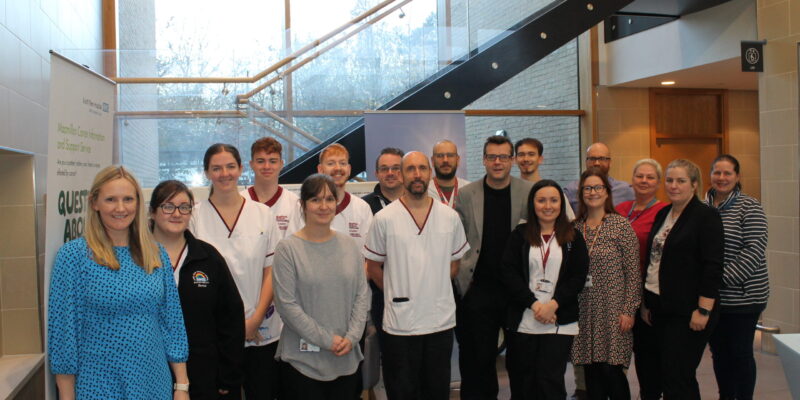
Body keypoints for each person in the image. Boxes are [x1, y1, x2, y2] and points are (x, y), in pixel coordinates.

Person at [48, 166, 189, 399]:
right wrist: (66, 395)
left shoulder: (156, 254)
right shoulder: (74, 256)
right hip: (98, 385)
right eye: (111, 199)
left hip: (153, 382)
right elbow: (65, 335)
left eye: (128, 199)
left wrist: (182, 386)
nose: (121, 208)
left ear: (138, 203)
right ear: (94, 203)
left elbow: (171, 321)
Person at [364, 151, 469, 399]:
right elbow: (373, 267)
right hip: (400, 322)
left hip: (439, 319)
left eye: (422, 168)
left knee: (437, 389)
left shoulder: (449, 217)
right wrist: (395, 290)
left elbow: (455, 264)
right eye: (410, 169)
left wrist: (432, 287)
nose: (417, 174)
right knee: (402, 389)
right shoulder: (384, 218)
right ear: (402, 175)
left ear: (430, 173)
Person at [190, 143, 282, 399]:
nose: (224, 174)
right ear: (206, 172)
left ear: (241, 169)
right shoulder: (195, 217)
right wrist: (231, 328)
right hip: (216, 334)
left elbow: (271, 271)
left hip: (260, 328)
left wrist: (255, 319)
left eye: (230, 166)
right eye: (216, 168)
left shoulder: (262, 213)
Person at [272, 174, 370, 399]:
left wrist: (352, 337)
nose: (324, 206)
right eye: (315, 199)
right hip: (302, 364)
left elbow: (361, 295)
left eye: (329, 199)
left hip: (346, 359)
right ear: (303, 205)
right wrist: (328, 340)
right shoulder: (287, 250)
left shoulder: (350, 246)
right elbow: (287, 306)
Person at [150, 180, 246, 400]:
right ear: (152, 212)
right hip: (150, 372)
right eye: (168, 206)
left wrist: (229, 375)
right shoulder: (134, 259)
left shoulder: (208, 258)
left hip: (204, 375)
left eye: (184, 207)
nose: (177, 213)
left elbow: (230, 319)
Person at [454, 135, 534, 399]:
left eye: (503, 157)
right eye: (491, 157)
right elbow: (457, 240)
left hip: (517, 291)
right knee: (478, 361)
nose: (497, 162)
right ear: (484, 160)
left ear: (512, 160)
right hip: (479, 289)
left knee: (521, 361)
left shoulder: (528, 192)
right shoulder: (467, 194)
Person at [499, 179, 589, 399]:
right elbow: (509, 273)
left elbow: (578, 277)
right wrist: (535, 304)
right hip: (525, 318)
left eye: (553, 200)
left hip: (558, 319)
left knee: (550, 380)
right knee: (523, 380)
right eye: (541, 200)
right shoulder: (519, 235)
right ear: (532, 204)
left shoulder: (574, 237)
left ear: (561, 204)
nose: (548, 206)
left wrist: (553, 305)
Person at [641, 159, 723, 399]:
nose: (673, 186)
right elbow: (654, 260)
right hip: (658, 306)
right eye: (669, 180)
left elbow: (713, 266)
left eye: (681, 181)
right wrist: (646, 303)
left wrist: (704, 310)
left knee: (678, 376)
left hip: (688, 311)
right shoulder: (663, 213)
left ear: (694, 185)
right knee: (661, 373)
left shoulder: (706, 216)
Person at [571, 167, 641, 399]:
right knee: (591, 374)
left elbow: (633, 273)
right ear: (581, 193)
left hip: (613, 312)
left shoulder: (620, 225)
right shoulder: (574, 228)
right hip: (584, 311)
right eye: (587, 188)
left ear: (607, 191)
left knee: (611, 371)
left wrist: (628, 310)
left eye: (598, 187)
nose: (593, 192)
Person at [705, 154, 769, 400]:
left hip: (745, 297)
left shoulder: (750, 207)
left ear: (737, 176)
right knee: (719, 353)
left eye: (727, 173)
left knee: (740, 354)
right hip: (713, 298)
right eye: (717, 172)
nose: (721, 178)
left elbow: (753, 251)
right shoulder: (701, 207)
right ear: (710, 175)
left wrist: (717, 279)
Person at [614, 159, 668, 400]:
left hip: (646, 293)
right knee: (616, 355)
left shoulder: (664, 212)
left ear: (658, 183)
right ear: (632, 179)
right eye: (639, 176)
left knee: (648, 355)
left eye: (650, 177)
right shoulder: (620, 209)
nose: (644, 181)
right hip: (617, 291)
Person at [288, 143, 373, 248]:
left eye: (342, 163)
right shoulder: (302, 208)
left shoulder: (362, 208)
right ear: (320, 169)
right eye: (331, 163)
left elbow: (369, 253)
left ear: (349, 169)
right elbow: (293, 246)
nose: (338, 168)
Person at [241, 137, 301, 239]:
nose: (267, 166)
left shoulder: (294, 203)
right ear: (252, 164)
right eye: (260, 161)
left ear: (281, 164)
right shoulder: (240, 201)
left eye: (273, 161)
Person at [515, 137, 575, 220]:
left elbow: (570, 221)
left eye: (531, 154)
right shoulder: (510, 192)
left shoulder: (555, 192)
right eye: (521, 155)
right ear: (515, 159)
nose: (526, 159)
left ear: (540, 159)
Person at [564, 143, 634, 213]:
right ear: (586, 162)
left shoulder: (625, 190)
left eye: (602, 159)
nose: (596, 163)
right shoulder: (571, 190)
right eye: (592, 159)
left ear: (610, 162)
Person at [428, 140, 470, 207]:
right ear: (432, 161)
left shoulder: (469, 189)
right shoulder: (425, 191)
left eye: (450, 155)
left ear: (457, 160)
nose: (445, 160)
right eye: (440, 156)